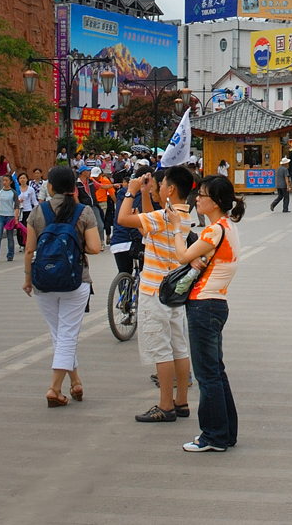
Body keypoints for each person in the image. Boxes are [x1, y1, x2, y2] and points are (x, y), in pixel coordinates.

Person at [118, 165, 197, 423]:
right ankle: (181, 401)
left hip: (154, 290)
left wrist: (129, 193)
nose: (158, 188)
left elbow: (123, 219)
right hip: (174, 291)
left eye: (162, 185)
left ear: (171, 189)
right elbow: (148, 226)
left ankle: (165, 405)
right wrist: (144, 194)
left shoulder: (163, 217)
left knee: (161, 349)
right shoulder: (181, 216)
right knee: (178, 346)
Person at [171, 175, 244, 451]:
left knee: (207, 374)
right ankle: (226, 432)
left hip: (203, 304)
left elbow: (181, 256)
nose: (197, 199)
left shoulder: (214, 230)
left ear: (216, 201)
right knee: (216, 370)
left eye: (202, 195)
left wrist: (177, 228)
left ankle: (212, 435)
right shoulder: (228, 226)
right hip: (217, 303)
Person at [23, 166, 101, 407]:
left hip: (43, 282)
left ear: (50, 187)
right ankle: (54, 388)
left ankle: (75, 382)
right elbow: (96, 247)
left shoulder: (38, 211)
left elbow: (29, 250)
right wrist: (77, 245)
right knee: (66, 335)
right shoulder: (83, 211)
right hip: (75, 281)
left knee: (59, 335)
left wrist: (27, 279)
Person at [110, 165, 151, 275]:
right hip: (140, 239)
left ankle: (124, 289)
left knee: (123, 271)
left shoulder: (123, 192)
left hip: (119, 240)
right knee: (145, 272)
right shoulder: (150, 194)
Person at [0, 173, 18, 262]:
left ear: (10, 182)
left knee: (10, 237)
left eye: (6, 180)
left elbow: (17, 206)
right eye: (3, 180)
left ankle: (10, 254)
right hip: (0, 215)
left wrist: (16, 218)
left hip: (10, 216)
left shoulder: (13, 193)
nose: (4, 182)